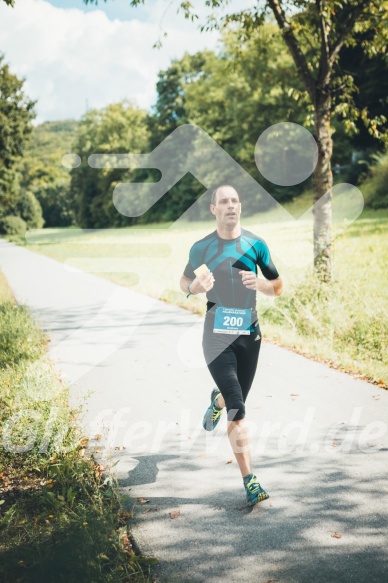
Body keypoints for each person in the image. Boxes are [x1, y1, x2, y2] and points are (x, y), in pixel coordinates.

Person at [180, 184, 283, 506]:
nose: (230, 206)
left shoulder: (256, 244)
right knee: (239, 408)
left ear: (240, 206)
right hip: (216, 336)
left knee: (232, 398)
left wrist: (263, 284)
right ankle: (250, 479)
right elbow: (183, 282)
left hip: (249, 334)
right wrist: (193, 288)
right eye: (223, 201)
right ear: (213, 209)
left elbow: (278, 286)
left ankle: (217, 401)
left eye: (235, 201)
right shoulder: (202, 248)